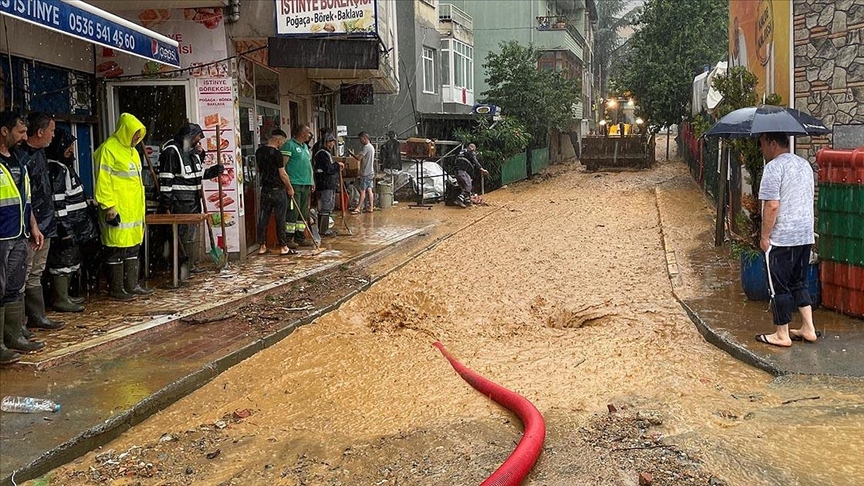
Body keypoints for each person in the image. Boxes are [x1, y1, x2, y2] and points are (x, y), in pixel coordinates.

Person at [754, 132, 818, 347]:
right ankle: (808, 328)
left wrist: (764, 237)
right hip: (805, 234)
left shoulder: (773, 167)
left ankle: (782, 334)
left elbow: (772, 205)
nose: (761, 149)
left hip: (783, 238)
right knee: (798, 282)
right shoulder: (804, 164)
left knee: (777, 286)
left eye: (762, 144)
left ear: (772, 144)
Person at [2, 112, 46, 363]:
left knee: (15, 285)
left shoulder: (18, 159)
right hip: (1, 234)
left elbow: (24, 198)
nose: (23, 136)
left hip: (19, 232)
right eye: (19, 132)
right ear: (4, 131)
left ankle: (13, 334)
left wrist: (34, 226)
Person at [94, 113, 152, 301]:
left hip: (133, 211)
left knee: (133, 248)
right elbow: (102, 181)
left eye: (139, 134)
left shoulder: (133, 152)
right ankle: (117, 288)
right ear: (125, 131)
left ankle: (132, 285)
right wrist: (109, 207)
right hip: (117, 210)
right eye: (135, 133)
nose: (137, 138)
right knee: (116, 249)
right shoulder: (108, 150)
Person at [17, 112, 65, 333]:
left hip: (45, 222)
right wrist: (32, 224)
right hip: (28, 225)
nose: (54, 136)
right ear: (40, 132)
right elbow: (25, 195)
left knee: (37, 271)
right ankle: (18, 324)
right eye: (52, 131)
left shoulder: (40, 154)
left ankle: (37, 315)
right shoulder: (21, 156)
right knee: (22, 274)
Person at [157, 123, 223, 275]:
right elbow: (166, 179)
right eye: (197, 138)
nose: (199, 142)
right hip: (179, 203)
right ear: (189, 137)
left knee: (191, 237)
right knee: (182, 237)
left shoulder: (192, 153)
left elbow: (197, 176)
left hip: (193, 201)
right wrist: (166, 201)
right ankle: (181, 267)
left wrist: (213, 171)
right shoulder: (172, 152)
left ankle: (190, 265)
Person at [46, 128, 99, 312]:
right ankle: (60, 298)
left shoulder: (64, 167)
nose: (71, 150)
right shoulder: (57, 169)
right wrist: (64, 229)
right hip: (68, 225)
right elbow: (57, 202)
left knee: (71, 261)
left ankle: (65, 295)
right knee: (62, 262)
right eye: (68, 146)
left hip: (77, 225)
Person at [256, 128, 295, 255]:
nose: (282, 144)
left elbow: (258, 169)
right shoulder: (277, 154)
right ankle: (283, 247)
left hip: (265, 189)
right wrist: (289, 188)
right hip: (278, 190)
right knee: (280, 219)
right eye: (282, 141)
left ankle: (262, 246)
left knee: (263, 218)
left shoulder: (259, 151)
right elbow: (283, 174)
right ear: (278, 140)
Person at [281, 124, 315, 247]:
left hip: (305, 183)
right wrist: (287, 184)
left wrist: (312, 181)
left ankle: (300, 237)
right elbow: (282, 165)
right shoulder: (289, 145)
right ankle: (289, 238)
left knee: (303, 212)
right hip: (294, 183)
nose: (310, 135)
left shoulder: (305, 146)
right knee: (293, 211)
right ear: (302, 133)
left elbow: (308, 165)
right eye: (308, 132)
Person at [314, 134, 344, 237]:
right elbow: (329, 169)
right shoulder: (322, 154)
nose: (333, 144)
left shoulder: (325, 153)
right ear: (327, 142)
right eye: (332, 142)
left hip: (328, 184)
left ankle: (324, 228)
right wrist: (337, 165)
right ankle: (323, 229)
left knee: (328, 206)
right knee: (326, 207)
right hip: (325, 183)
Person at [454, 143, 488, 208]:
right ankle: (459, 199)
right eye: (474, 149)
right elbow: (475, 161)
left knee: (464, 187)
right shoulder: (471, 152)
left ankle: (468, 202)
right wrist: (482, 169)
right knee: (468, 186)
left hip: (456, 171)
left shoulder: (462, 151)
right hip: (462, 171)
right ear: (472, 148)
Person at [350, 131, 375, 214]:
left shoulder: (366, 147)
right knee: (369, 190)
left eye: (361, 139)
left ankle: (358, 207)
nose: (360, 141)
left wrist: (352, 154)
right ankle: (371, 207)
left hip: (365, 173)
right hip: (371, 172)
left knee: (362, 191)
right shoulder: (371, 147)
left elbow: (359, 158)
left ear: (364, 138)